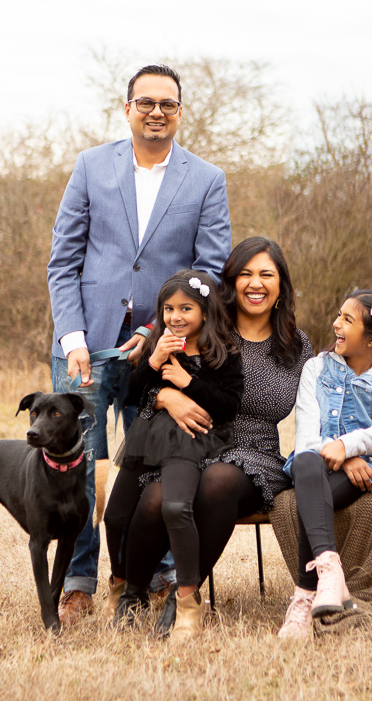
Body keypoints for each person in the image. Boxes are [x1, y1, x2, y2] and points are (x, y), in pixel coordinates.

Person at [47, 64, 232, 623]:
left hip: (166, 347)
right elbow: (64, 260)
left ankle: (149, 572)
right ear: (126, 108)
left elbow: (210, 269)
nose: (157, 111)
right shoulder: (89, 166)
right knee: (79, 464)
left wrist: (161, 334)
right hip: (87, 346)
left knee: (154, 461)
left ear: (180, 112)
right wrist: (73, 338)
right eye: (146, 101)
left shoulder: (205, 179)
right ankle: (78, 579)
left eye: (168, 104)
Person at [119, 236, 313, 636]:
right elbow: (150, 383)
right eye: (245, 274)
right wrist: (166, 398)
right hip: (192, 444)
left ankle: (183, 596)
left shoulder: (296, 344)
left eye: (266, 274)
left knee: (218, 480)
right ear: (231, 281)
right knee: (156, 496)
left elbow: (316, 406)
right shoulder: (204, 327)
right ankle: (132, 593)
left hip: (255, 454)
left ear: (281, 286)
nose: (255, 283)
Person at [102, 270, 244, 641]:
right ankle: (125, 592)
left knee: (175, 508)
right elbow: (132, 395)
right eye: (168, 308)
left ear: (205, 311)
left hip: (189, 442)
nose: (176, 316)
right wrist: (153, 365)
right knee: (115, 516)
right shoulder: (159, 343)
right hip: (146, 440)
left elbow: (227, 407)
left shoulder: (222, 352)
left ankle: (186, 600)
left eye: (186, 308)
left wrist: (186, 383)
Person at [277, 289, 372, 639]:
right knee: (307, 462)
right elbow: (307, 434)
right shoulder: (316, 367)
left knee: (313, 489)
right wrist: (341, 453)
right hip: (314, 463)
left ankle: (304, 596)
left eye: (347, 320)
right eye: (339, 316)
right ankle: (329, 576)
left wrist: (348, 447)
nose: (335, 324)